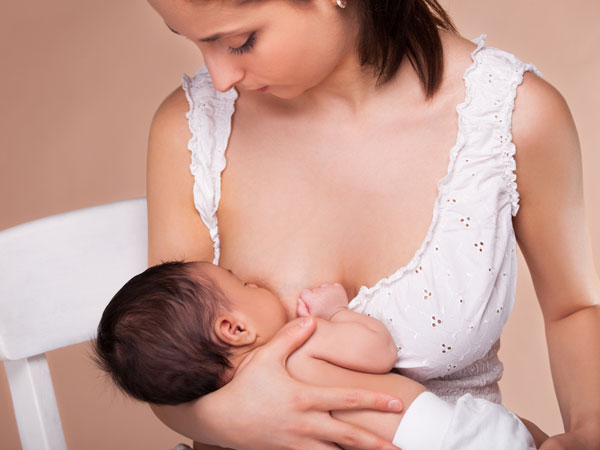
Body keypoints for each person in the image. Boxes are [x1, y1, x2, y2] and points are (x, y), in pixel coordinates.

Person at [145, 0, 600, 448]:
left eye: (240, 41)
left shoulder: (511, 116)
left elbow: (573, 310)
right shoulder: (192, 128)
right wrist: (228, 417)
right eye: (193, 41)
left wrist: (588, 431)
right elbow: (156, 359)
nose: (220, 78)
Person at [94, 260, 536, 449]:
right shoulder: (297, 343)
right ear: (235, 329)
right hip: (450, 437)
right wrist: (337, 312)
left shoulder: (259, 425)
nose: (255, 283)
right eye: (242, 285)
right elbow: (379, 350)